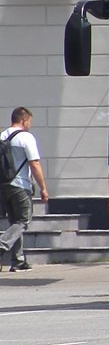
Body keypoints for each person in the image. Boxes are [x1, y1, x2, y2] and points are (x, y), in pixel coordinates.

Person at [1, 107, 48, 272]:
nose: (30, 125)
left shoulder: (2, 136)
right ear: (23, 120)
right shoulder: (26, 137)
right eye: (29, 122)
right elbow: (34, 163)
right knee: (22, 221)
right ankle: (2, 245)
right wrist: (43, 188)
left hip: (4, 185)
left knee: (15, 222)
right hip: (20, 185)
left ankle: (18, 261)